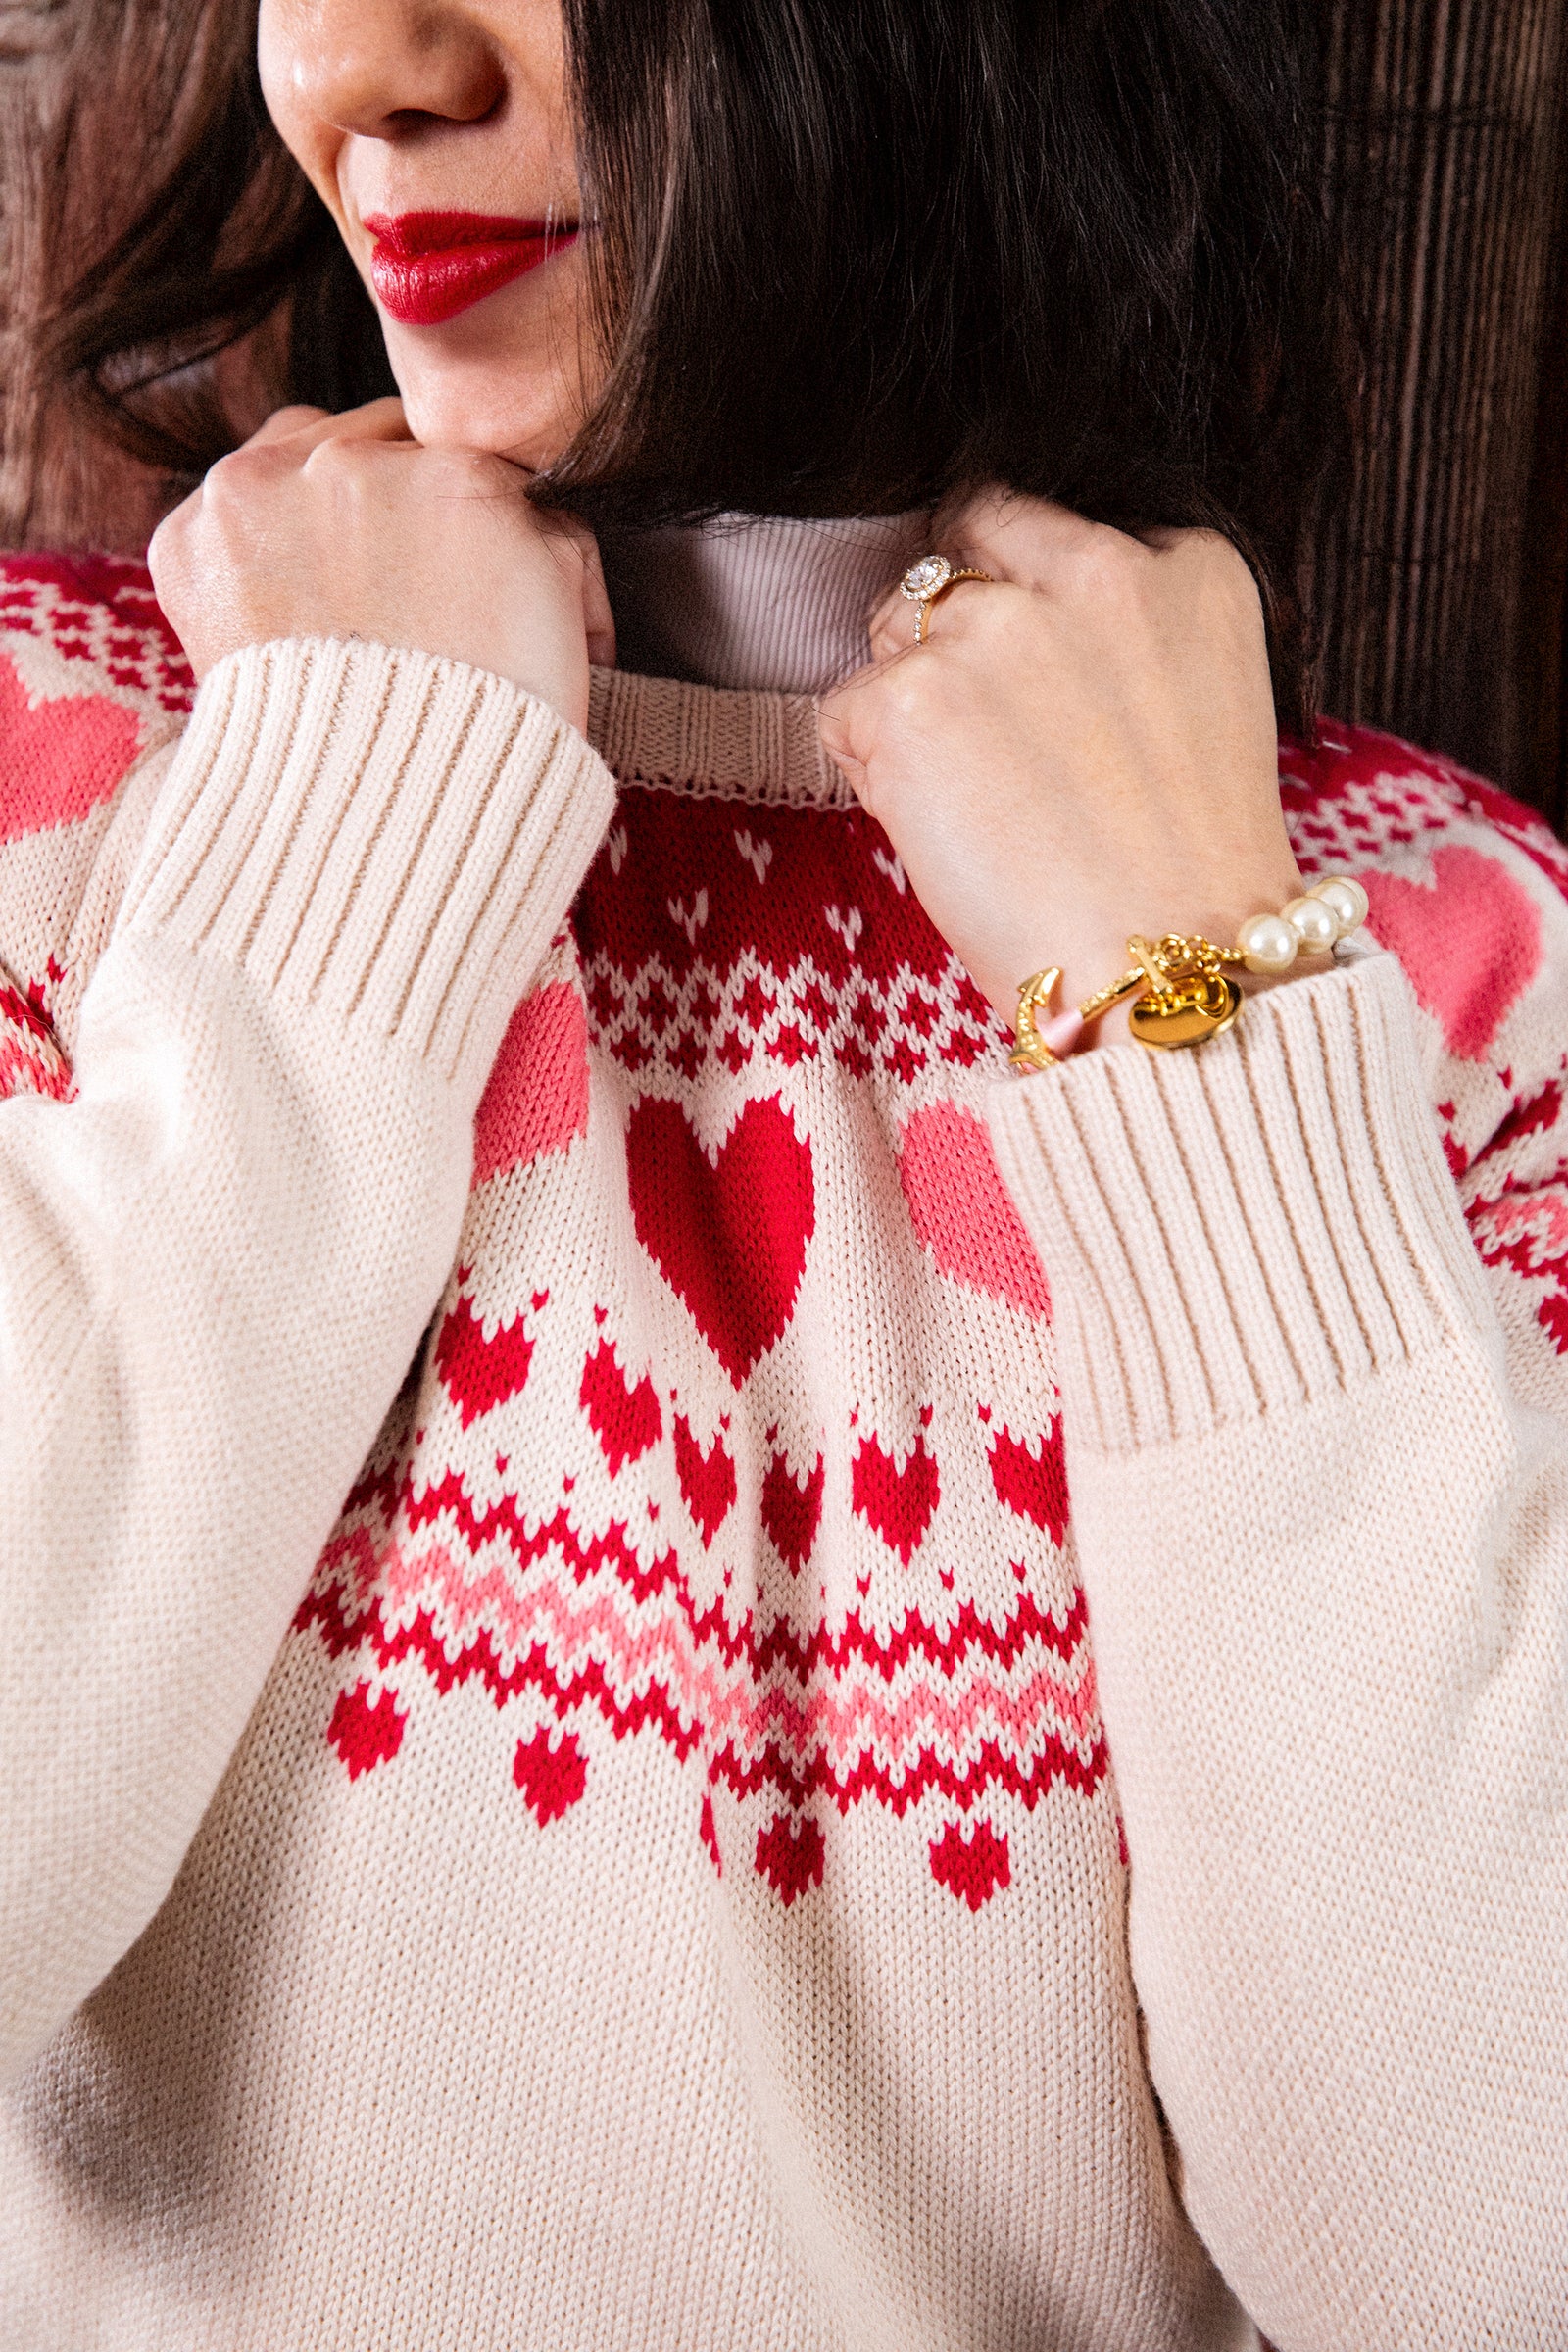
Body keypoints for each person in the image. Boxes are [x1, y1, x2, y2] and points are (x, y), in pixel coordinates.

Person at [1, 2, 1564, 2347]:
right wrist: (349, 817)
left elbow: (1484, 2260)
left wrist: (1194, 1007)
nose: (360, 68)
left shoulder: (1457, 981)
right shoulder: (64, 790)